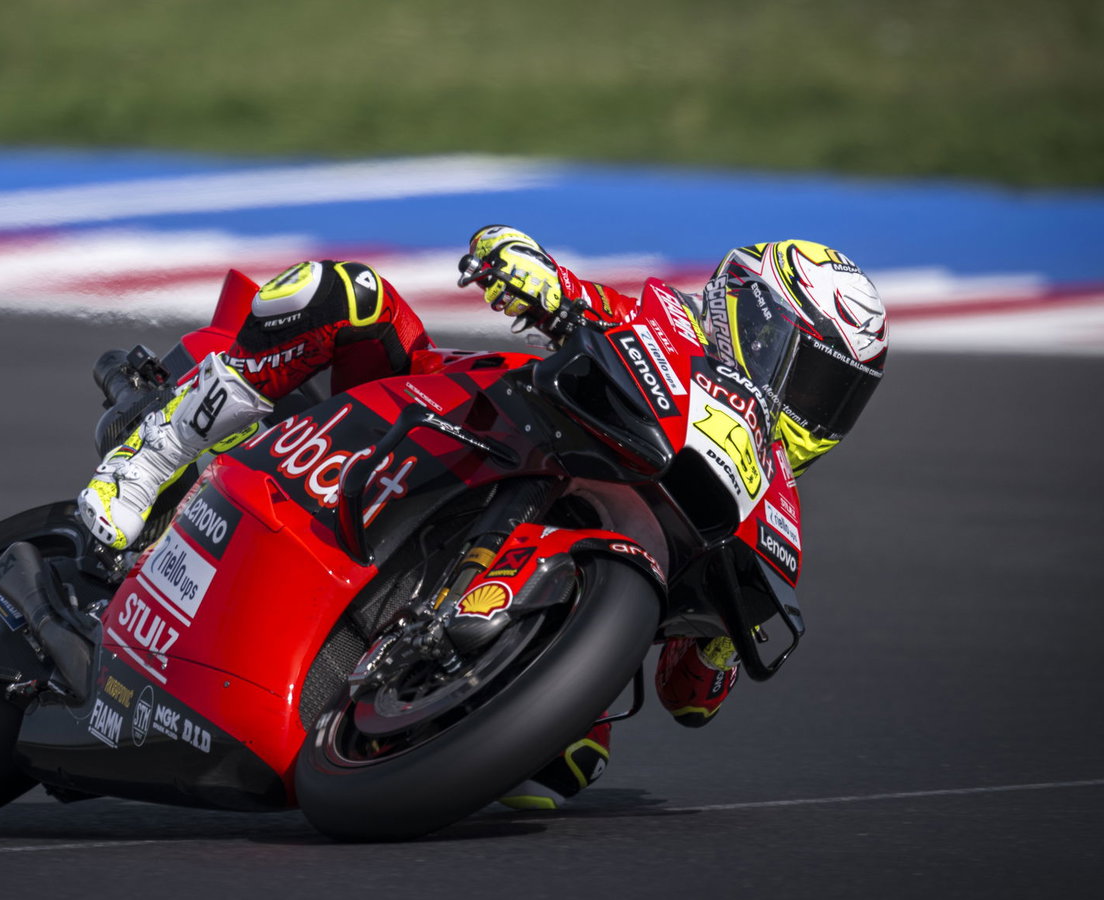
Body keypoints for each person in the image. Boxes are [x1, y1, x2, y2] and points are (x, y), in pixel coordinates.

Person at [77, 226, 889, 809]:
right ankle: (152, 458)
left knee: (566, 765)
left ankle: (397, 703)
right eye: (809, 375)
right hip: (451, 424)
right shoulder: (671, 322)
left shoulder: (773, 512)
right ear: (747, 315)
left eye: (836, 397)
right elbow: (588, 301)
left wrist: (713, 644)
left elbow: (688, 700)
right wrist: (534, 271)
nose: (813, 409)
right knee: (339, 294)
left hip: (543, 565)